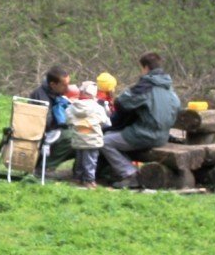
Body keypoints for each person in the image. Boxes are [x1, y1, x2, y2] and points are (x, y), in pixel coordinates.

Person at [97, 52, 181, 183]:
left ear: (146, 68)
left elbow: (121, 102)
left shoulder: (146, 86)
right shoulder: (169, 88)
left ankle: (131, 174)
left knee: (104, 141)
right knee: (115, 136)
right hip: (163, 136)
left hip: (144, 135)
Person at [64, 81, 111, 187]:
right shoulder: (98, 108)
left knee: (79, 159)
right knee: (91, 160)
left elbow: (67, 120)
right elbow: (106, 122)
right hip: (93, 139)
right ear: (93, 94)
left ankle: (77, 178)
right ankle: (89, 180)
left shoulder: (72, 107)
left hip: (78, 138)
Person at [29, 65, 73, 171]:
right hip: (42, 134)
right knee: (71, 138)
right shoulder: (41, 97)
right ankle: (44, 168)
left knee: (85, 139)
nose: (68, 88)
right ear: (53, 84)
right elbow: (45, 123)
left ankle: (80, 173)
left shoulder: (55, 93)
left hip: (52, 131)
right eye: (64, 85)